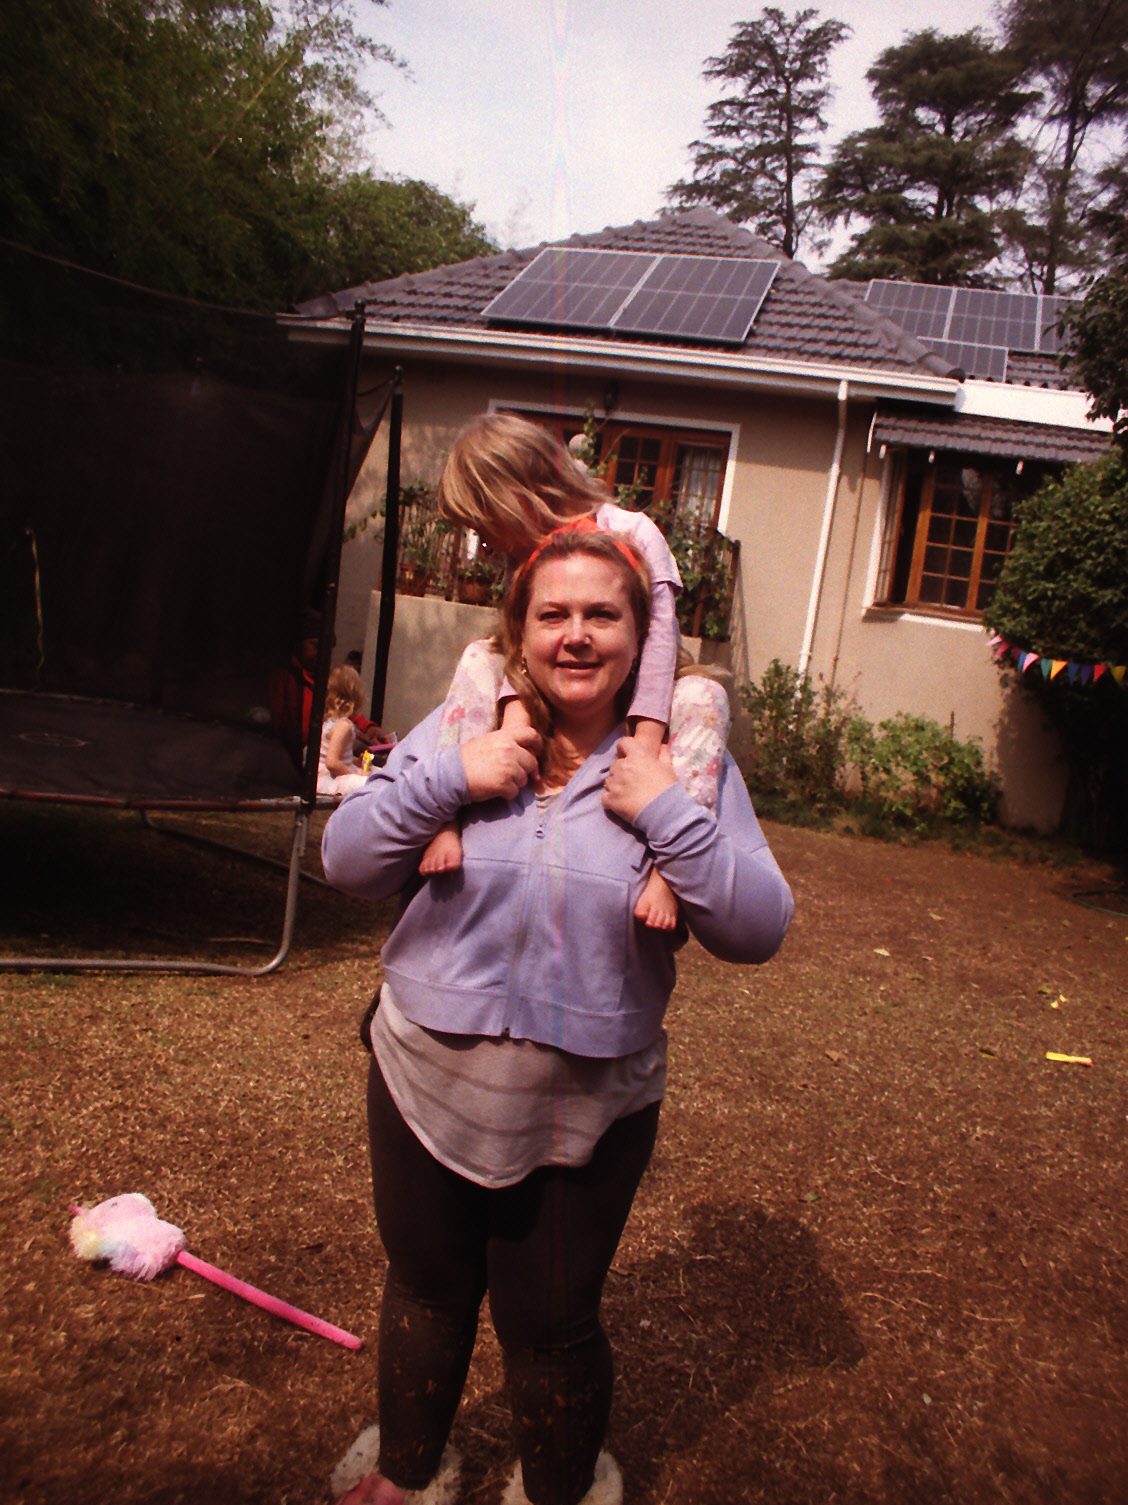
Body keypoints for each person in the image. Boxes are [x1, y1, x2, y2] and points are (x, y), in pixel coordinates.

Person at [321, 527, 793, 1505]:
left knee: (553, 1317)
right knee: (426, 1287)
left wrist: (662, 809)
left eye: (602, 615)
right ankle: (408, 1472)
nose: (577, 635)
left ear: (642, 638)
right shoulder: (466, 725)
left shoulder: (685, 766)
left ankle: (561, 1489)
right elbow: (347, 859)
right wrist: (456, 775)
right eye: (554, 614)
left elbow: (757, 925)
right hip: (419, 1080)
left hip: (587, 1107)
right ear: (520, 629)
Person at [418, 413, 730, 934]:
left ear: (519, 494)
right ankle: (443, 817)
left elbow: (657, 648)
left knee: (705, 695)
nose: (485, 543)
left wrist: (646, 750)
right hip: (550, 690)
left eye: (484, 526)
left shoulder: (632, 532)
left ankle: (670, 873)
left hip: (632, 690)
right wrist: (516, 721)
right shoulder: (528, 558)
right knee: (478, 654)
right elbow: (517, 644)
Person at [317, 664, 372, 797]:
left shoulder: (328, 721)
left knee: (375, 772)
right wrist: (355, 774)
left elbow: (332, 754)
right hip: (330, 781)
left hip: (322, 778)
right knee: (372, 783)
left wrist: (354, 762)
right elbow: (332, 762)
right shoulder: (344, 726)